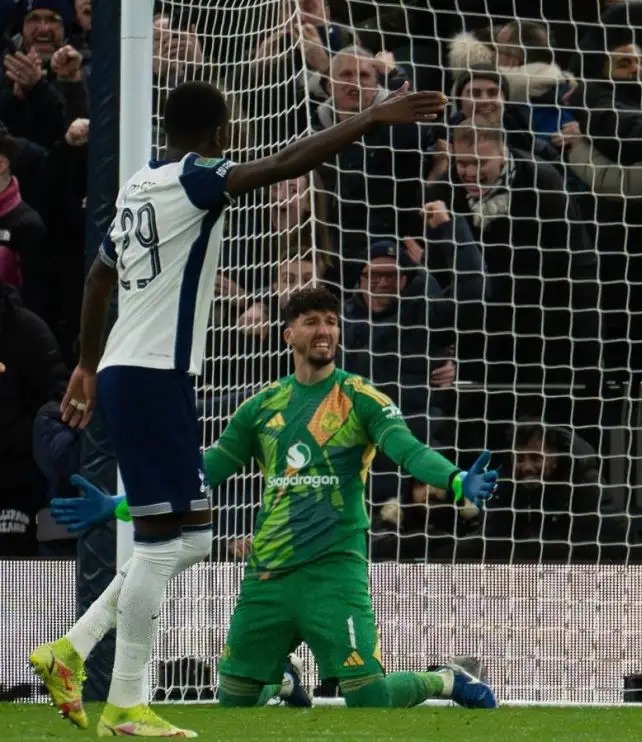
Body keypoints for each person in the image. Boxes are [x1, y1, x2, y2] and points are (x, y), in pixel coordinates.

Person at [35, 79, 445, 737]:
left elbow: (97, 278)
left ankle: (72, 651)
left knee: (183, 536)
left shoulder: (141, 182)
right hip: (152, 376)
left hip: (124, 369)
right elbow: (286, 164)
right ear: (220, 133)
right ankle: (124, 704)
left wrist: (85, 362)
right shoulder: (197, 178)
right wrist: (371, 117)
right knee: (172, 540)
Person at [38, 287, 500, 721]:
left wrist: (456, 479)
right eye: (312, 322)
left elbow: (408, 450)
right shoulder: (261, 407)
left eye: (332, 322)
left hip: (334, 571)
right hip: (267, 575)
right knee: (234, 704)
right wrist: (122, 505)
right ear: (289, 335)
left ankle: (447, 678)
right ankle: (280, 682)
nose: (324, 331)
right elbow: (204, 474)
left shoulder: (360, 399)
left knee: (368, 698)